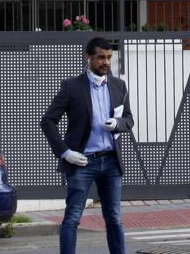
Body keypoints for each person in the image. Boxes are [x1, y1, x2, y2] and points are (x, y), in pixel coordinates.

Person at [40, 37, 135, 254]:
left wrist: (118, 124)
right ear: (89, 57)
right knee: (72, 218)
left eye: (109, 57)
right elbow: (47, 121)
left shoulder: (118, 85)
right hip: (82, 162)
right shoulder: (72, 86)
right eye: (101, 57)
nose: (106, 62)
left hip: (111, 162)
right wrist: (65, 152)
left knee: (114, 218)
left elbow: (129, 119)